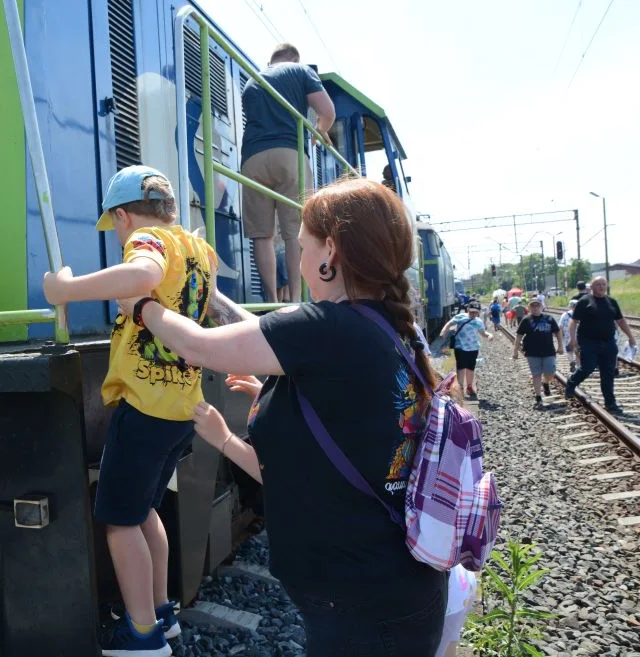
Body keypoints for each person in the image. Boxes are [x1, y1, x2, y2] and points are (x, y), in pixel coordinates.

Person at [116, 177, 448, 657]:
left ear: (329, 251)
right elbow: (272, 343)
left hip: (362, 610)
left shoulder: (324, 330)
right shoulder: (382, 325)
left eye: (302, 246)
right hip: (386, 593)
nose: (297, 259)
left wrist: (143, 305)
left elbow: (195, 346)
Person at [43, 165, 217, 656]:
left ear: (124, 216)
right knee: (144, 512)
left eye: (116, 226)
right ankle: (161, 612)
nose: (119, 235)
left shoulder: (149, 243)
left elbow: (144, 272)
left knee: (119, 519)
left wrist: (66, 290)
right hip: (181, 406)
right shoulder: (197, 249)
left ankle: (142, 635)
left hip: (146, 407)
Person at [241, 42, 335, 304]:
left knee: (262, 235)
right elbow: (327, 112)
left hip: (252, 160)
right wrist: (319, 130)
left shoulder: (252, 81)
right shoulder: (300, 71)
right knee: (294, 232)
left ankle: (271, 300)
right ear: (294, 58)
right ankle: (295, 299)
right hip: (289, 154)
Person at [565, 277, 637, 414]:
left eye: (603, 284)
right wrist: (572, 339)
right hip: (588, 342)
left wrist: (631, 337)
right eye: (598, 284)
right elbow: (573, 322)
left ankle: (610, 403)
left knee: (608, 373)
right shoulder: (584, 301)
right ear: (591, 287)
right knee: (588, 367)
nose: (601, 287)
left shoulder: (611, 302)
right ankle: (572, 382)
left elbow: (621, 321)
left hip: (609, 343)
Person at [512, 297, 563, 408]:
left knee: (550, 372)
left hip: (549, 351)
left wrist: (560, 346)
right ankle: (538, 397)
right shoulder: (526, 320)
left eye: (537, 305)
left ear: (541, 306)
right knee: (536, 375)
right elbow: (519, 336)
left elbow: (558, 332)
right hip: (532, 352)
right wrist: (515, 350)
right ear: (529, 307)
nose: (535, 307)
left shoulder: (549, 318)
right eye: (533, 305)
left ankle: (545, 383)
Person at [441, 301, 493, 398]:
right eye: (471, 312)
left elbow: (482, 333)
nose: (473, 314)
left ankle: (469, 387)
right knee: (461, 368)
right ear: (468, 310)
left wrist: (489, 335)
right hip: (460, 347)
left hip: (473, 348)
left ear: (478, 312)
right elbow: (449, 323)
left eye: (475, 312)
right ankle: (460, 388)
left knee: (470, 368)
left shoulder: (478, 321)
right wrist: (444, 331)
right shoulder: (460, 317)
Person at [559, 299, 579, 373]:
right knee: (578, 353)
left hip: (568, 337)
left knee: (569, 351)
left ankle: (571, 361)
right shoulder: (581, 314)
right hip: (579, 337)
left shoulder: (565, 315)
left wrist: (560, 336)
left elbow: (560, 326)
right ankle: (578, 367)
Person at [274, 234, 289, 301]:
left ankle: (277, 305)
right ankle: (287, 300)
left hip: (273, 253)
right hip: (285, 250)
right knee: (289, 281)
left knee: (278, 286)